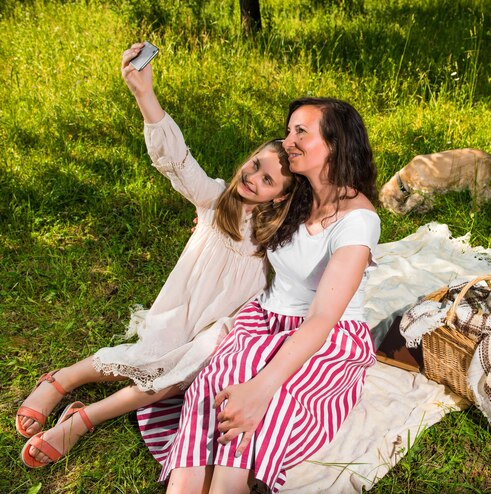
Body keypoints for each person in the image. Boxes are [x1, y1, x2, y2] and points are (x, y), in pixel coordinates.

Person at [17, 42, 299, 468]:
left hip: (222, 328)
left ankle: (82, 421)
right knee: (147, 356)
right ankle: (63, 379)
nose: (253, 178)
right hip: (185, 309)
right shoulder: (214, 201)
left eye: (268, 179)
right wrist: (144, 95)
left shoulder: (280, 240)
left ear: (281, 199)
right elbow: (178, 161)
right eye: (255, 164)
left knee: (178, 374)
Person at [139, 96, 381, 493]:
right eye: (289, 130)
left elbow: (322, 318)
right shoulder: (290, 192)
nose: (288, 140)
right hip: (262, 319)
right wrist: (146, 96)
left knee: (275, 402)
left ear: (335, 145)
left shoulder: (358, 220)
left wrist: (261, 387)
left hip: (325, 337)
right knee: (215, 383)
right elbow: (222, 200)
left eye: (301, 132)